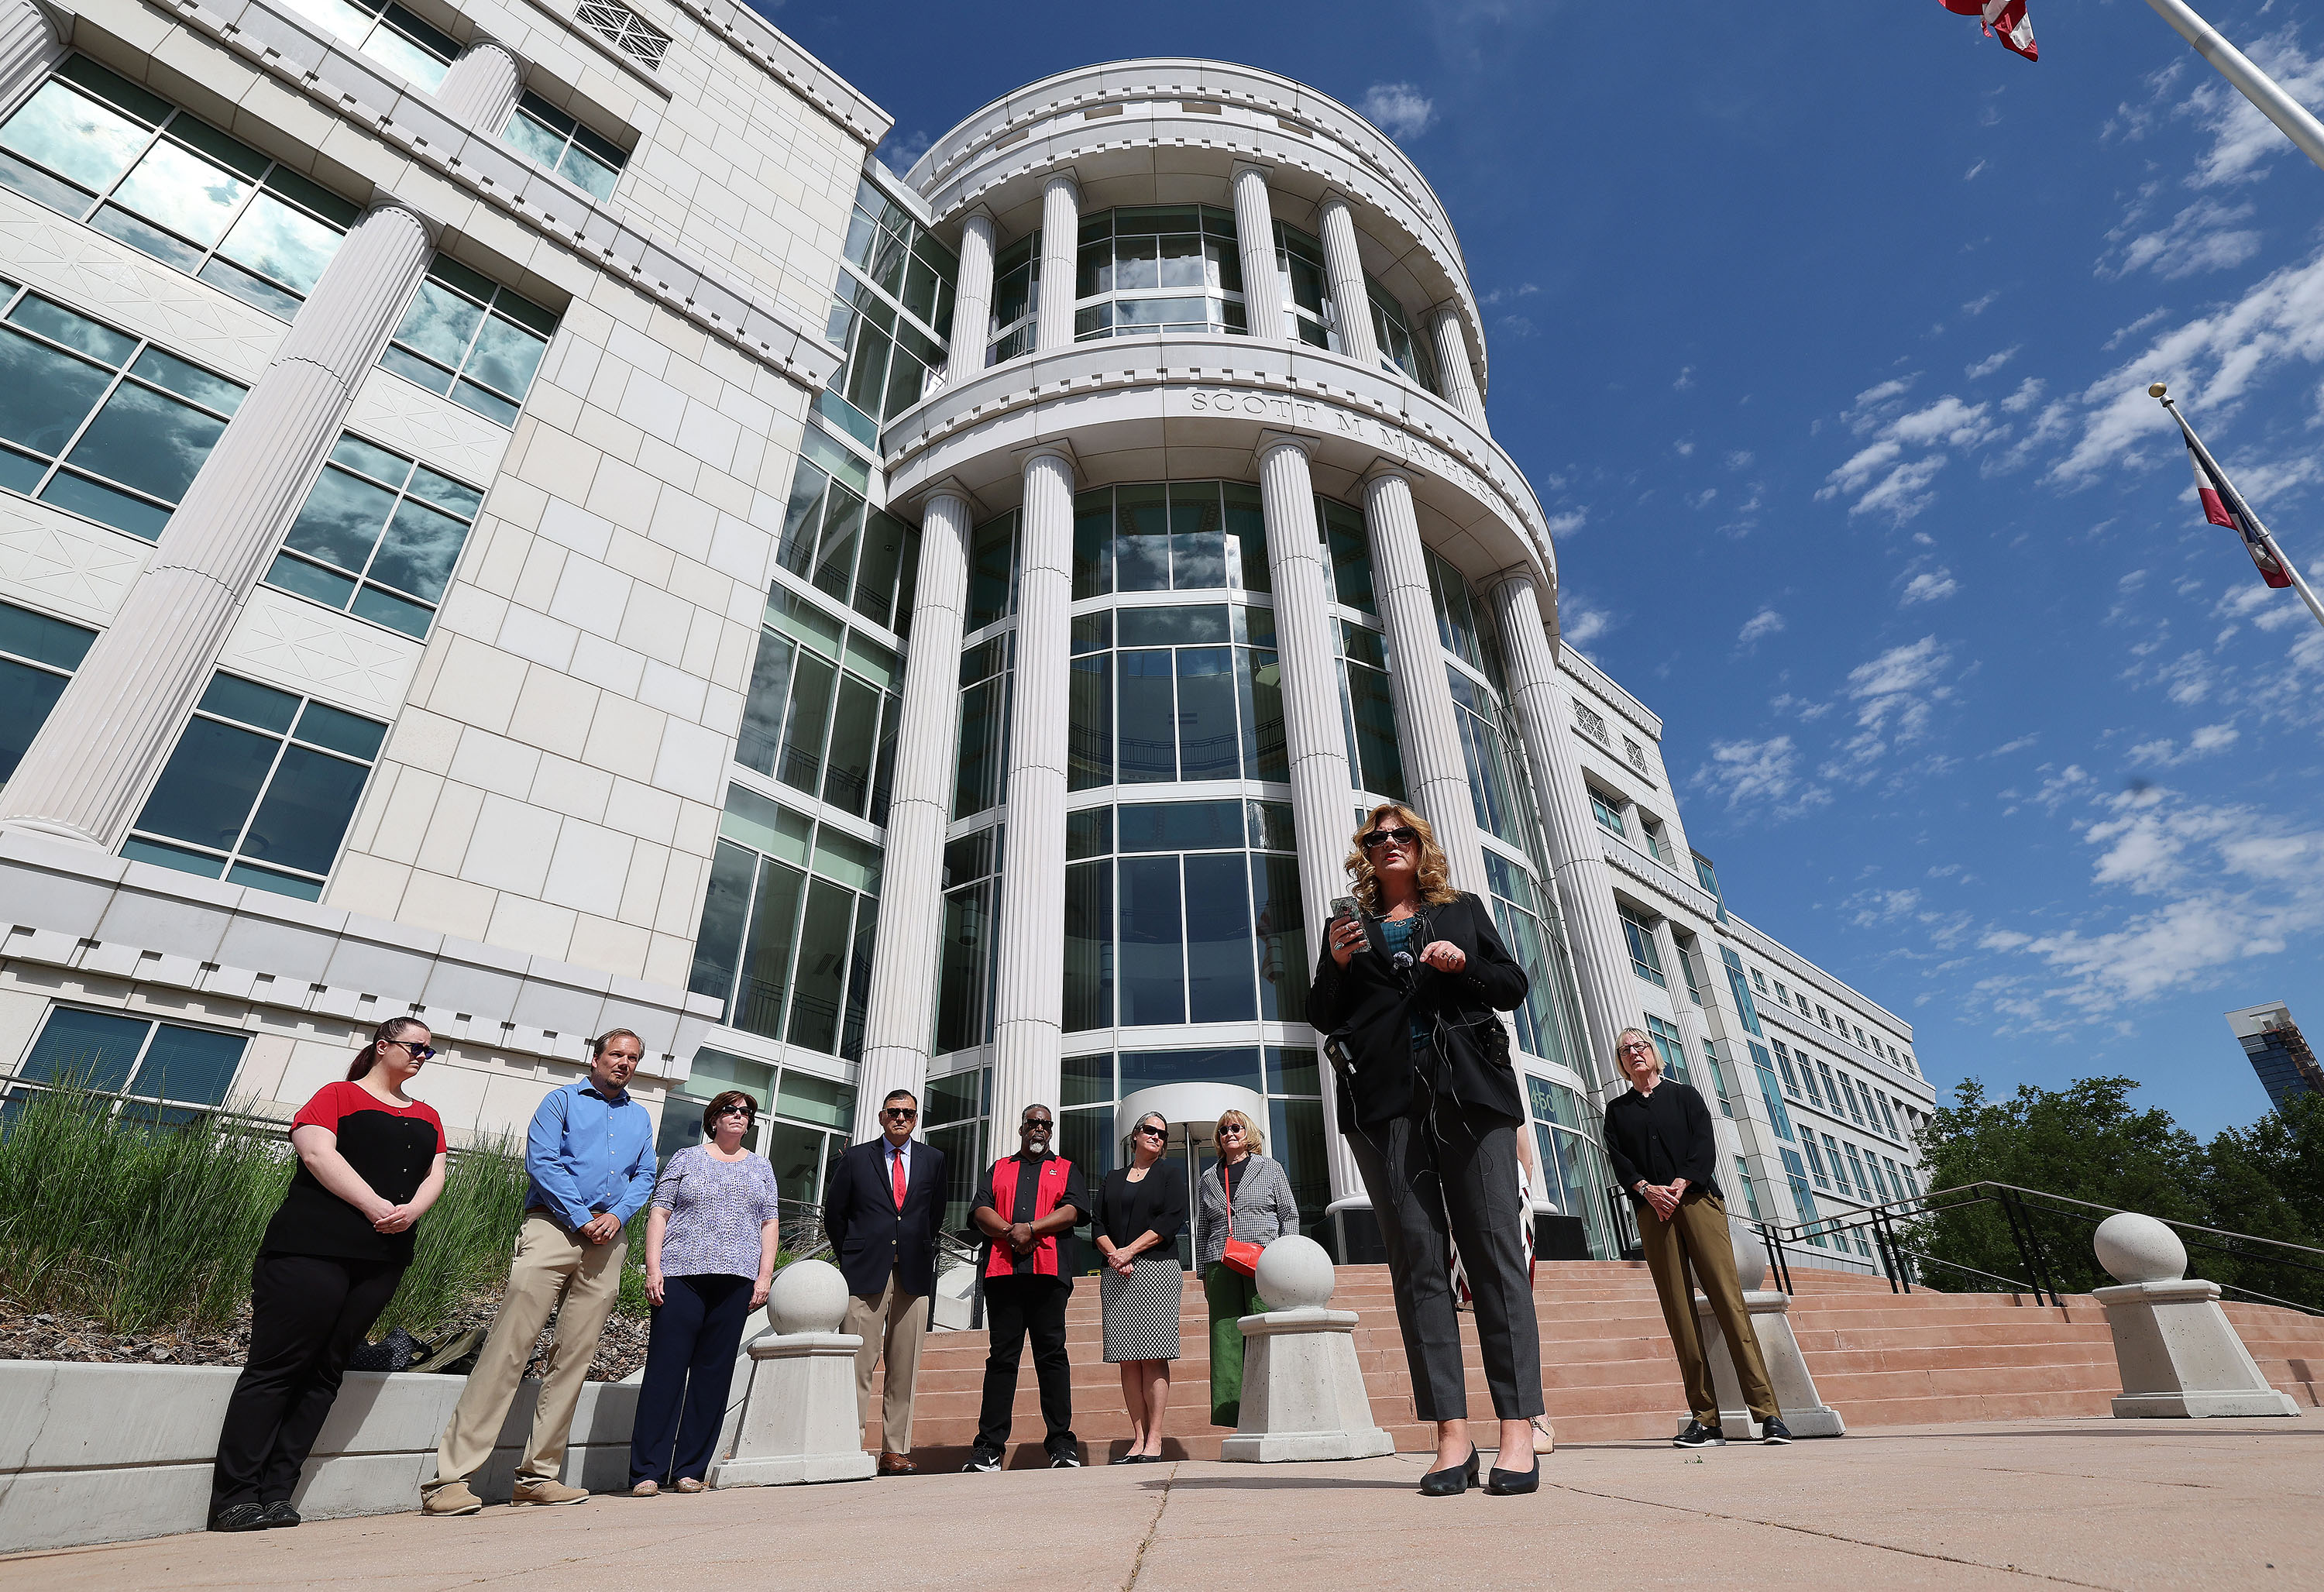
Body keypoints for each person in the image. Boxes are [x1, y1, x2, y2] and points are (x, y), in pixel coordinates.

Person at [1308, 803, 1545, 1497]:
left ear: (1420, 845)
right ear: (1366, 853)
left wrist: (1463, 961)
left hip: (1470, 1095)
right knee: (1417, 1265)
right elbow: (1324, 1014)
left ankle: (1517, 1430)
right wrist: (1337, 960)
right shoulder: (1346, 929)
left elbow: (1512, 985)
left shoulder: (1461, 909)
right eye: (1374, 838)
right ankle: (1450, 1434)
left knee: (1497, 1256)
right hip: (1387, 1111)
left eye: (1399, 834)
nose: (1387, 844)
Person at [208, 1019, 447, 1531]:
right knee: (277, 1367)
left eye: (431, 1050)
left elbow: (436, 1173)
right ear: (383, 1047)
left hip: (382, 1258)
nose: (424, 1055)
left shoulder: (428, 1115)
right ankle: (235, 1497)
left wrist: (410, 1213)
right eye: (416, 1046)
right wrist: (377, 1204)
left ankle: (277, 1492)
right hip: (310, 1249)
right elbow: (316, 1152)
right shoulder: (337, 1095)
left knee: (325, 1371)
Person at [422, 1030, 657, 1515]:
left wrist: (617, 1217)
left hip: (608, 1241)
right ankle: (448, 1480)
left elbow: (646, 1175)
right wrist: (582, 1215)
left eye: (633, 1058)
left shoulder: (639, 1117)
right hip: (553, 1226)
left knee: (574, 1358)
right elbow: (542, 1161)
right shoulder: (561, 1102)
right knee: (510, 1347)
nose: (625, 1064)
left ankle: (538, 1477)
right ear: (596, 1058)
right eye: (617, 1055)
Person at [1601, 1026, 1793, 1448]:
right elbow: (1620, 1162)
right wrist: (1647, 1190)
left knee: (1729, 1301)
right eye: (1625, 1050)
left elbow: (1704, 1146)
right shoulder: (1616, 1111)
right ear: (1620, 1062)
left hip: (1697, 1202)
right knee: (1679, 1313)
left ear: (1656, 1054)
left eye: (1641, 1046)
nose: (1634, 1053)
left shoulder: (1685, 1095)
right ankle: (1705, 1419)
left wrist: (1680, 1183)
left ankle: (1768, 1414)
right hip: (1653, 1211)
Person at [627, 1089, 781, 1496]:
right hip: (681, 1275)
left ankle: (690, 1468)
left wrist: (764, 1276)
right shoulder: (686, 1158)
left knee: (712, 1378)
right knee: (665, 1373)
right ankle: (647, 1470)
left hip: (735, 1281)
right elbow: (659, 1212)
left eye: (746, 1112)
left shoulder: (761, 1168)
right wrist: (653, 1268)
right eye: (731, 1110)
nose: (739, 1116)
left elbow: (769, 1224)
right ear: (713, 1118)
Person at [823, 1087, 947, 1475]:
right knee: (858, 1364)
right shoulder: (857, 1157)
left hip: (913, 1274)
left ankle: (895, 1449)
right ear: (881, 1117)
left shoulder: (934, 1159)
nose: (900, 1119)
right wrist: (853, 1254)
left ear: (916, 1120)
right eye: (894, 1112)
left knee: (904, 1365)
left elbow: (934, 1213)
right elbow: (836, 1213)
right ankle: (850, 1445)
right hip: (864, 1274)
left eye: (908, 1114)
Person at [962, 1104, 1088, 1472]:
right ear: (1022, 1128)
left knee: (1052, 1358)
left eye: (1046, 1125)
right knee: (1002, 1360)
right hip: (1003, 1276)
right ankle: (988, 1448)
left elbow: (1073, 1211)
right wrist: (1011, 1231)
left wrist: (1031, 1228)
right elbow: (981, 1211)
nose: (1040, 1130)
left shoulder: (1065, 1168)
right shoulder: (1000, 1168)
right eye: (1034, 1123)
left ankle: (1062, 1446)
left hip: (1049, 1276)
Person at [1193, 1109, 1298, 1430]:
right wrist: (1202, 1274)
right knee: (1225, 1336)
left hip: (1263, 1261)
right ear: (1218, 1139)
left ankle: (1276, 1406)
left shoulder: (1270, 1168)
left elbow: (1289, 1215)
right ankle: (1233, 1413)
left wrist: (1286, 1258)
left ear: (1247, 1132)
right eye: (1223, 1130)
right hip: (1220, 1261)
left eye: (1235, 1127)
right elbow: (1202, 1227)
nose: (1229, 1134)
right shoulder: (1208, 1177)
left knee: (1265, 1329)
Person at [1095, 1110, 1188, 1462]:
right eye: (1150, 1131)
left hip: (1157, 1269)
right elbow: (1098, 1219)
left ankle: (1156, 1437)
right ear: (1135, 1135)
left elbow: (1172, 1219)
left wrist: (1129, 1250)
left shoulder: (1169, 1174)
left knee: (1154, 1356)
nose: (1157, 1137)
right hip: (1117, 1273)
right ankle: (1137, 1437)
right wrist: (1115, 1255)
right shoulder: (1113, 1177)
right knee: (1127, 1360)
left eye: (1162, 1134)